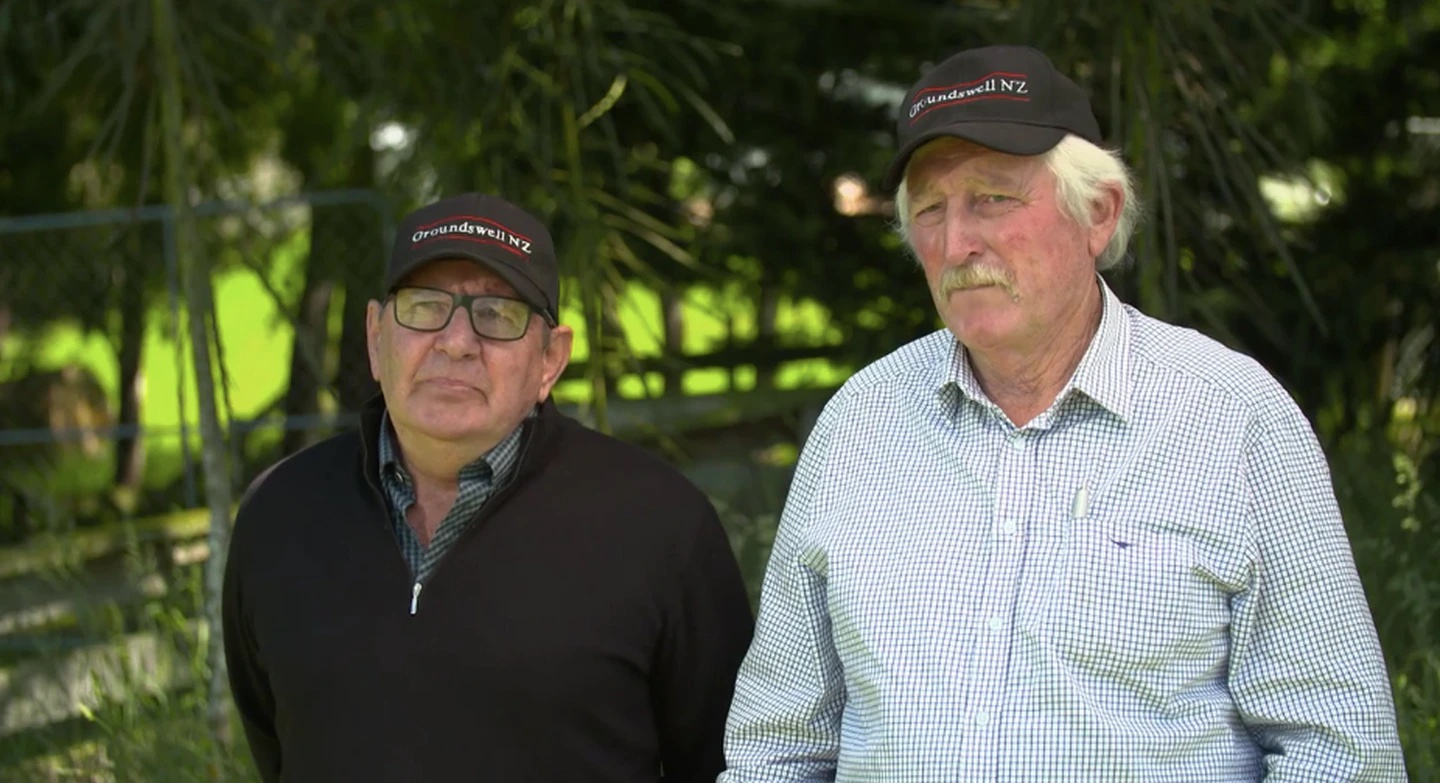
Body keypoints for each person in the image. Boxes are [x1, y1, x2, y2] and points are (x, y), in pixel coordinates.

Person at [720, 45, 1406, 781]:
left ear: (1098, 214)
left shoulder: (1233, 418)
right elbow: (778, 747)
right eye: (929, 209)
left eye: (993, 199)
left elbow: (1340, 752)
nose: (956, 244)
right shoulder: (859, 425)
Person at [222, 192, 755, 782]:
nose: (455, 342)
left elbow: (732, 763)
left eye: (497, 315)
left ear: (550, 360)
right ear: (376, 338)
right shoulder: (280, 516)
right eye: (424, 308)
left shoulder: (660, 528)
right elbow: (279, 748)